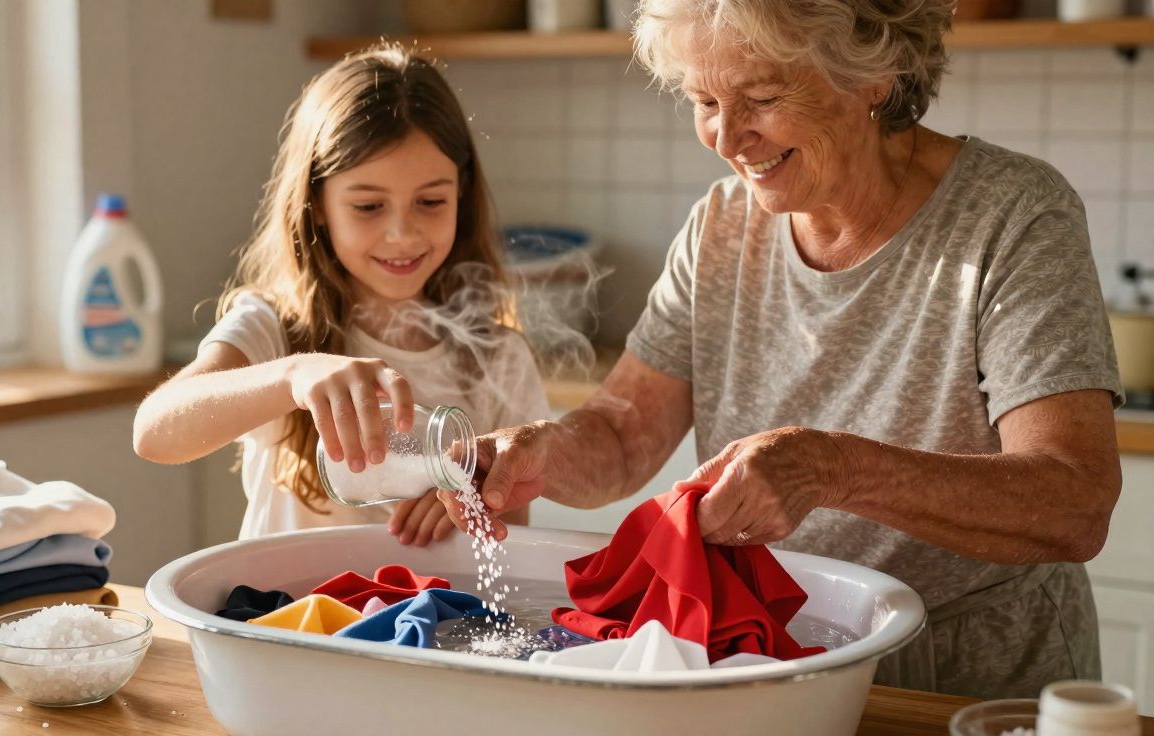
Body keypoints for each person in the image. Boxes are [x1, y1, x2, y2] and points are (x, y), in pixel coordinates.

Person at [442, 0, 1123, 699]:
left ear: (874, 73)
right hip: (784, 661)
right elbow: (621, 432)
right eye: (704, 100)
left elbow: (1076, 501)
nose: (727, 136)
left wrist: (832, 469)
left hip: (968, 679)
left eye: (762, 98)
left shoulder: (1012, 216)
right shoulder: (720, 227)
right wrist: (540, 450)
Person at [134, 44, 549, 547]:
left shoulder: (496, 358)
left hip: (433, 622)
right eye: (369, 206)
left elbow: (514, 536)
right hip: (290, 618)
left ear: (461, 192)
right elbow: (154, 434)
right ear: (318, 205)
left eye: (431, 201)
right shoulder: (273, 327)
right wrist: (292, 375)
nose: (402, 233)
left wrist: (477, 499)